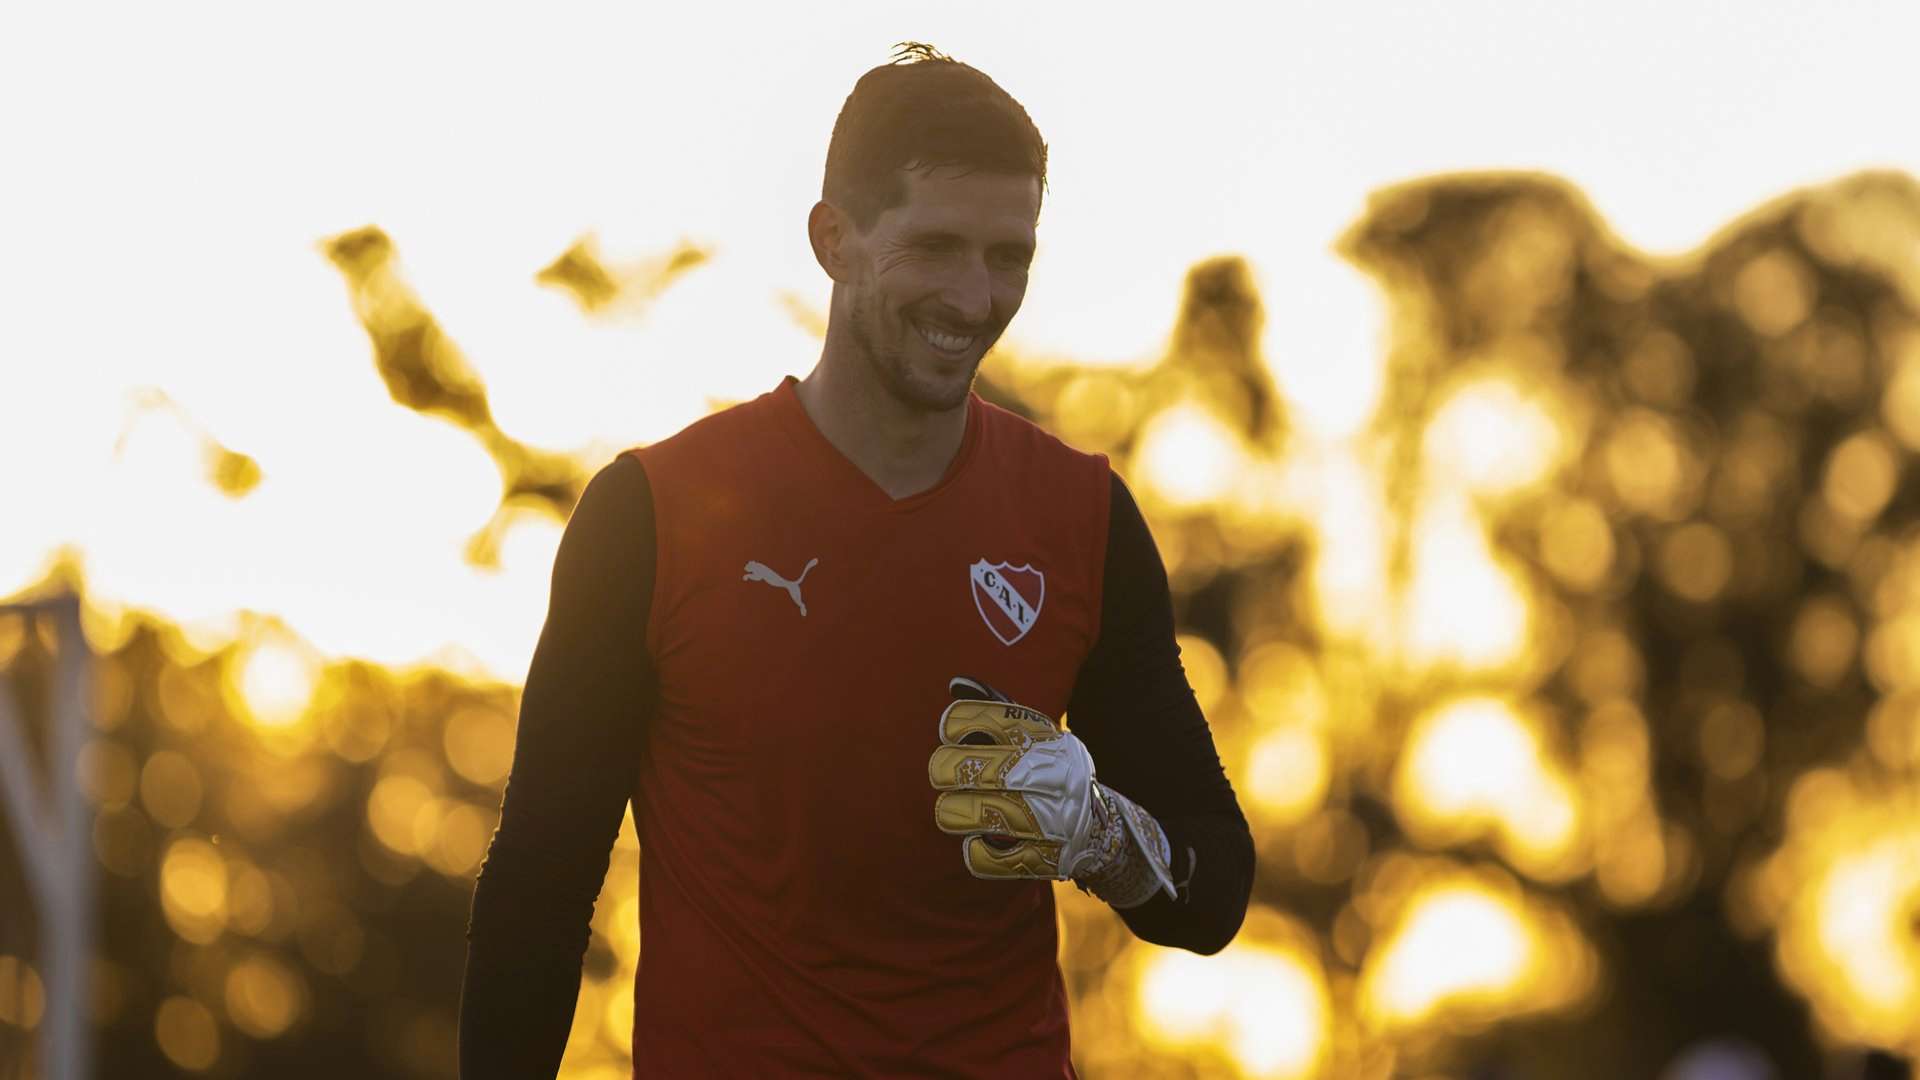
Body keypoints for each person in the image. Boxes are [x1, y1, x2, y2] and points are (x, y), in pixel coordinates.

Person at [458, 42, 1254, 1078]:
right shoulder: (651, 516)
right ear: (833, 240)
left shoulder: (1080, 517)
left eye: (1008, 255)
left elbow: (1216, 890)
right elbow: (541, 885)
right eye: (936, 246)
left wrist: (1103, 834)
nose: (975, 296)